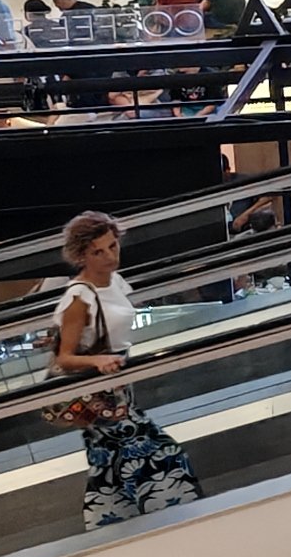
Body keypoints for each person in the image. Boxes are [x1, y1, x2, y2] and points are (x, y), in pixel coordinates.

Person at [52, 210, 199, 528]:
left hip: (119, 383)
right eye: (98, 252)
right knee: (153, 449)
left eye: (112, 246)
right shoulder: (79, 297)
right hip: (100, 386)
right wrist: (97, 361)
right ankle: (169, 511)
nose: (110, 256)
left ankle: (112, 521)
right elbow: (64, 357)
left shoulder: (115, 281)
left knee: (110, 457)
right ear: (81, 256)